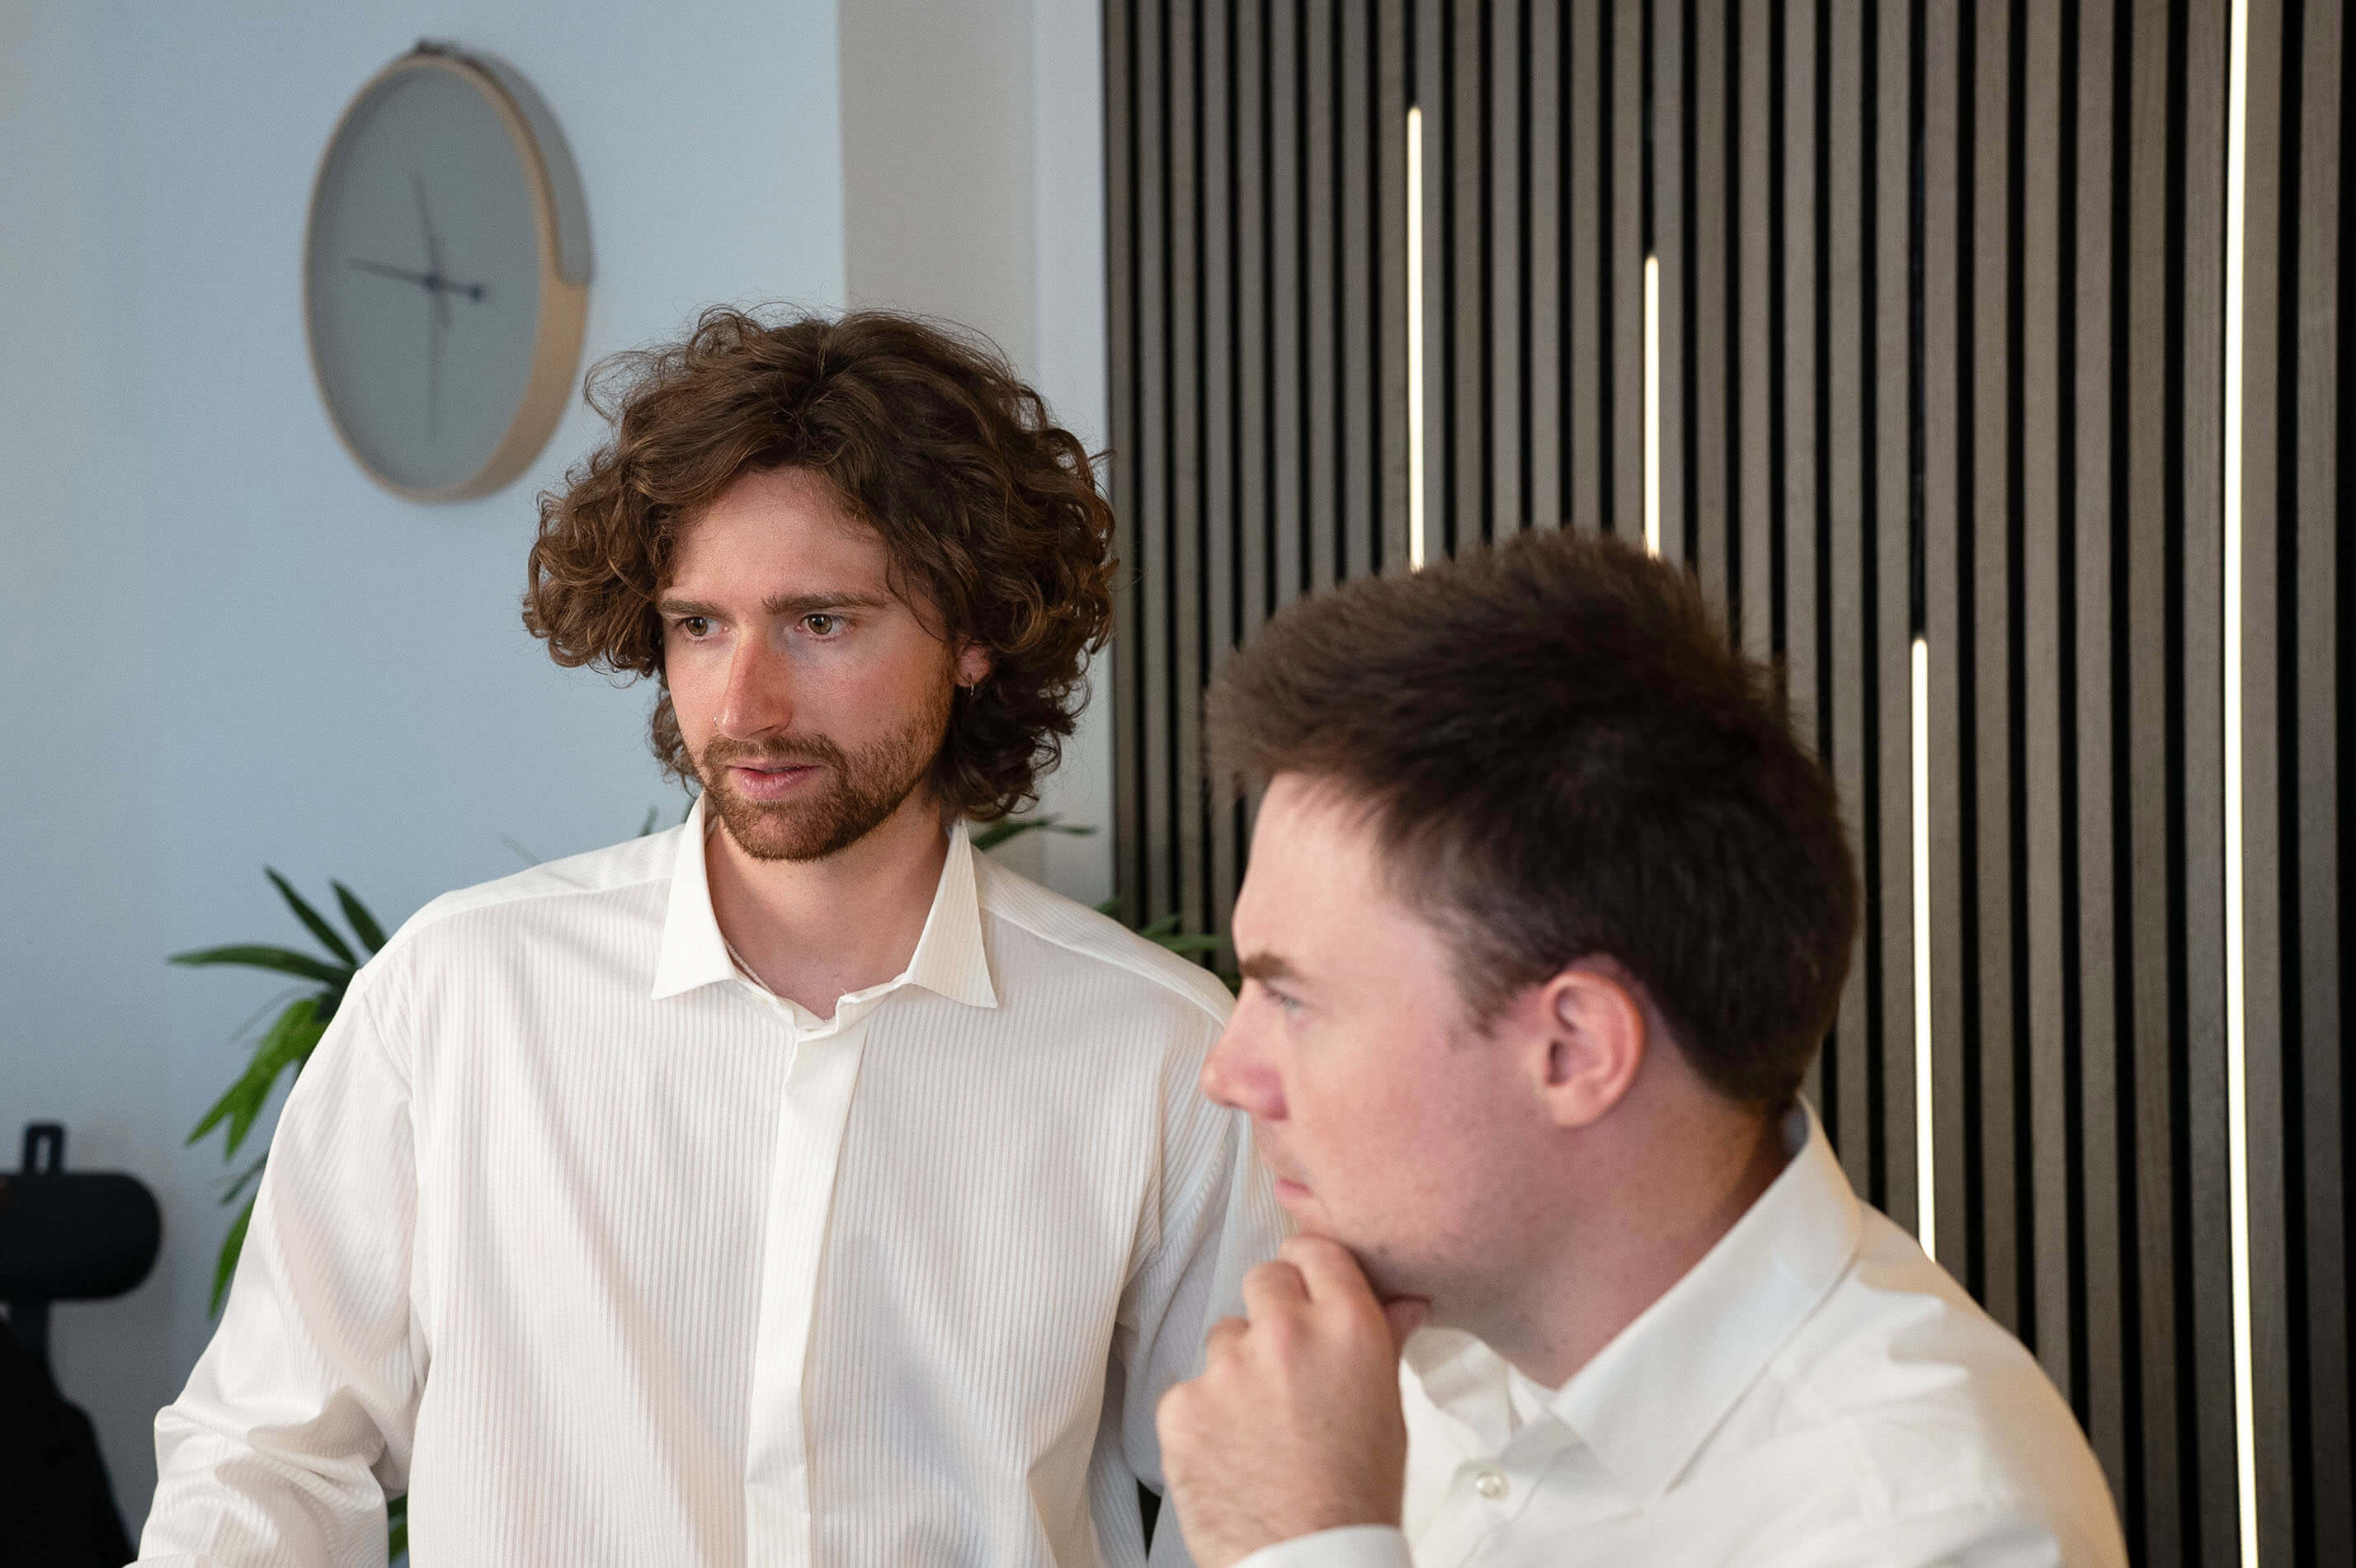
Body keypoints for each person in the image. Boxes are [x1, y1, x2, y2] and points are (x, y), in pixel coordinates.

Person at [140, 308, 1283, 1566]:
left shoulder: (1165, 1049)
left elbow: (1258, 1511)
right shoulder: (460, 994)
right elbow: (271, 1452)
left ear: (974, 635)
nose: (744, 705)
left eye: (821, 622)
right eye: (700, 626)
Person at [1153, 530, 2128, 1567]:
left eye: (1293, 997)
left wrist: (1305, 1546)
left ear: (1573, 1049)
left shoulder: (1928, 1522)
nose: (1228, 1071)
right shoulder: (1375, 1363)